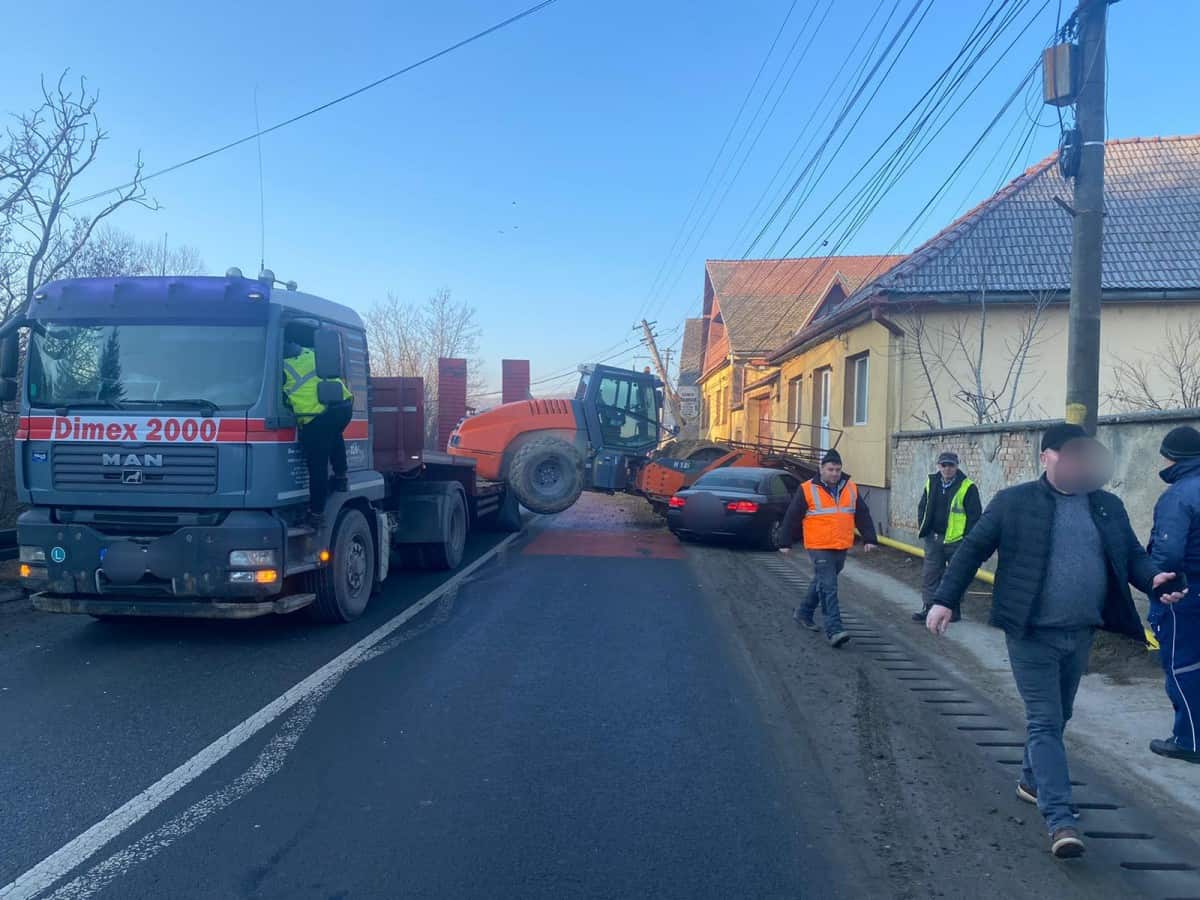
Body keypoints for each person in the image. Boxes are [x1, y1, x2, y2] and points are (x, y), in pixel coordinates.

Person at [926, 423, 1186, 859]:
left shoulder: (1106, 506)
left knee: (1060, 714)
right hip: (1030, 632)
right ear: (1046, 456)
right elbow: (972, 550)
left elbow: (1132, 557)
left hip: (1081, 630)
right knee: (1045, 721)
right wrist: (944, 600)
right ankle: (1060, 819)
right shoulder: (1014, 502)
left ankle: (1031, 779)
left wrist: (1153, 579)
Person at [780, 448, 879, 648]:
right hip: (818, 545)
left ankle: (804, 612)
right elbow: (792, 516)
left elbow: (862, 513)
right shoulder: (807, 488)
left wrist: (870, 538)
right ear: (821, 469)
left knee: (822, 582)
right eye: (831, 469)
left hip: (841, 544)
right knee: (829, 587)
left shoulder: (850, 487)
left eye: (838, 469)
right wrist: (784, 542)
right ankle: (834, 629)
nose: (835, 473)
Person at [1147, 425, 1200, 764]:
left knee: (1183, 667)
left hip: (1185, 595)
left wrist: (1162, 591)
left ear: (1174, 457)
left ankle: (1188, 740)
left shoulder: (1179, 496)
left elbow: (1167, 554)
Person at [283, 342, 353, 527]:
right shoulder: (311, 352)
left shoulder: (281, 368)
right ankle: (341, 476)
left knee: (317, 467)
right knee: (335, 434)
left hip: (315, 416)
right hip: (344, 405)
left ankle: (317, 514)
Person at [912, 451, 982, 623]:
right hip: (934, 538)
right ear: (938, 466)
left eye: (951, 465)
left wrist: (968, 540)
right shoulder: (932, 482)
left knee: (955, 576)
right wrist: (924, 528)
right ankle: (928, 608)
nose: (947, 468)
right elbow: (923, 506)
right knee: (930, 574)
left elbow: (975, 516)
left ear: (957, 466)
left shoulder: (968, 486)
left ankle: (953, 610)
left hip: (957, 540)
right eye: (944, 465)